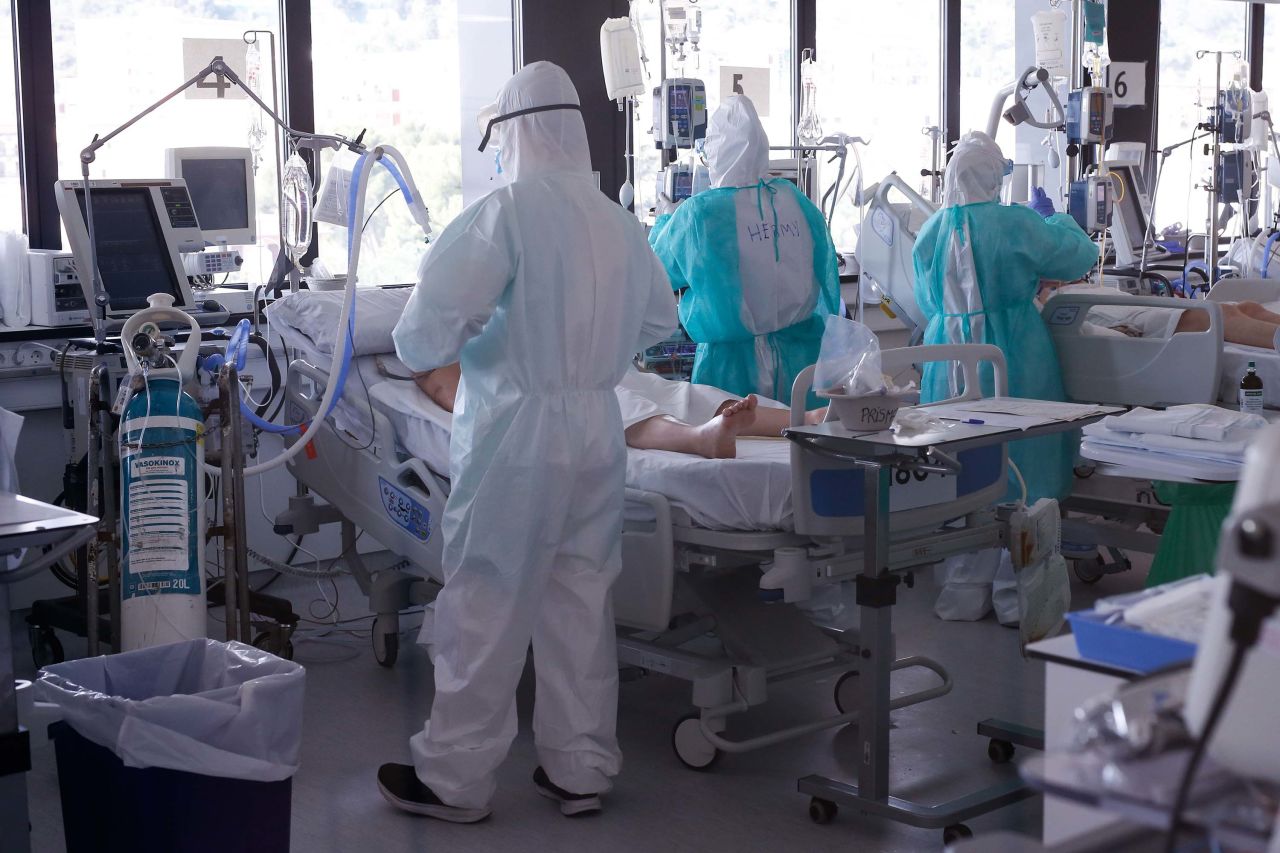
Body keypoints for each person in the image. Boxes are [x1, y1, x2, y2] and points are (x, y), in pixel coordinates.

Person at [378, 62, 678, 823]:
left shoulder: (504, 213)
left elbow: (418, 333)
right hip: (595, 429)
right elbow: (658, 323)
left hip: (517, 431)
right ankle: (579, 768)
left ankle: (453, 779)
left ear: (512, 133)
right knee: (580, 595)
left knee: (487, 596)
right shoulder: (618, 221)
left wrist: (485, 338)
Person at [913, 131, 1098, 504]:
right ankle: (1029, 522)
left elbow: (927, 301)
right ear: (995, 177)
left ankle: (953, 521)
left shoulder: (932, 229)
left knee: (952, 442)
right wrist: (1056, 220)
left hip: (945, 348)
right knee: (1022, 444)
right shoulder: (1014, 223)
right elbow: (1078, 256)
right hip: (1012, 345)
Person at [648, 94, 841, 407]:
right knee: (802, 445)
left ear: (715, 148)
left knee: (739, 448)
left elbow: (655, 273)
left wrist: (665, 221)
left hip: (730, 369)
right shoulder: (796, 202)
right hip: (802, 362)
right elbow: (826, 273)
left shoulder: (699, 214)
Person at [411, 363, 828, 459]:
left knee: (681, 392)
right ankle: (699, 439)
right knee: (620, 405)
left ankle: (806, 419)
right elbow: (466, 402)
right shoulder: (439, 359)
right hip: (556, 390)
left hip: (586, 364)